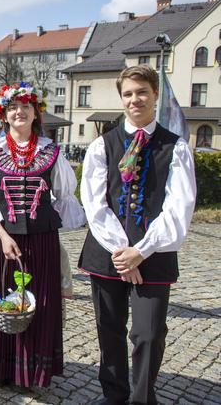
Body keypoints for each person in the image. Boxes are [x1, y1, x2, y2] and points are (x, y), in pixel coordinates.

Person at [79, 65, 196, 404]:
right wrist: (122, 251)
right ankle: (113, 396)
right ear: (121, 98)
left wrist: (140, 251)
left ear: (155, 94)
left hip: (154, 256)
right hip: (107, 253)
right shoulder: (102, 145)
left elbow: (179, 209)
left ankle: (143, 398)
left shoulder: (175, 148)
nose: (135, 99)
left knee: (149, 334)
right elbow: (94, 203)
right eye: (128, 94)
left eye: (142, 92)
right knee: (109, 331)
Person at [0, 82, 85, 386]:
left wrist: (42, 218)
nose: (19, 111)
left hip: (40, 240)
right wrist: (3, 235)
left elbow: (63, 196)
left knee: (37, 303)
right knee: (0, 298)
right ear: (3, 115)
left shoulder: (52, 153)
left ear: (35, 113)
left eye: (25, 106)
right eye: (12, 107)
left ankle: (32, 371)